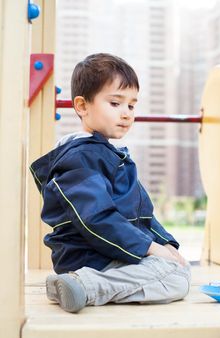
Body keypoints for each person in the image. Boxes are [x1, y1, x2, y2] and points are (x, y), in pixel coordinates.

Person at [30, 53, 191, 313]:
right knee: (174, 278)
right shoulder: (80, 158)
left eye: (131, 106)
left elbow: (143, 214)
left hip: (110, 251)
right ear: (82, 106)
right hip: (88, 256)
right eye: (115, 103)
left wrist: (167, 244)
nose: (126, 114)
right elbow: (96, 218)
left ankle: (80, 285)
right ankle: (85, 285)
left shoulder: (110, 155)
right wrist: (149, 248)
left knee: (178, 268)